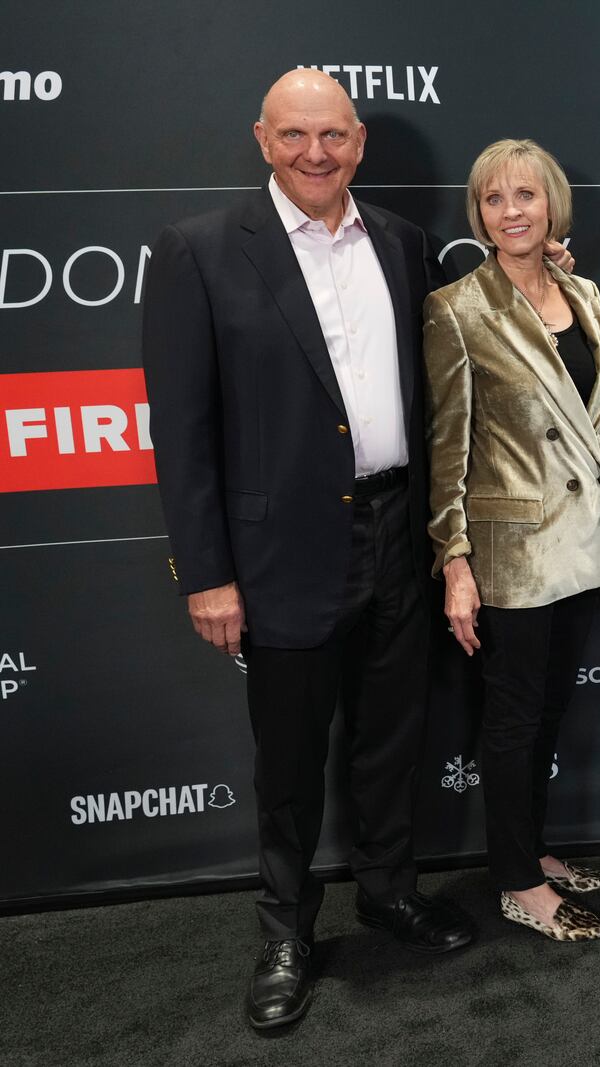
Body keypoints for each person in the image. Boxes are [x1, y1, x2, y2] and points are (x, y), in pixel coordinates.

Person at [142, 69, 473, 1031]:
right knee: (288, 761)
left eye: (331, 135)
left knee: (390, 739)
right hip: (279, 552)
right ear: (262, 138)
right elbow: (182, 433)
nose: (315, 153)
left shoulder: (406, 246)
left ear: (359, 140)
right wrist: (206, 572)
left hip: (397, 531)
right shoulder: (199, 252)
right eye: (294, 136)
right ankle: (287, 930)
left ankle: (388, 890)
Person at [424, 139, 600, 941]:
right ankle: (514, 882)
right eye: (495, 199)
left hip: (582, 543)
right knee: (512, 720)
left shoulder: (588, 293)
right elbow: (448, 447)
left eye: (526, 196)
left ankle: (532, 852)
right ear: (479, 213)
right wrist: (454, 560)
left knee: (549, 713)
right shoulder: (458, 307)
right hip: (510, 550)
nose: (512, 211)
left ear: (552, 205)